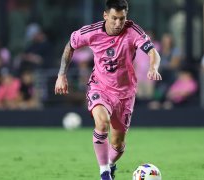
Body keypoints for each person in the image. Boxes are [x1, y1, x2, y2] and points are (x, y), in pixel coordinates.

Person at [54, 0, 162, 179]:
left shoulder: (133, 31)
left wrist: (153, 67)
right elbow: (70, 46)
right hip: (100, 87)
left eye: (122, 18)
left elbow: (153, 52)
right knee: (102, 123)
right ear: (105, 16)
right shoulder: (91, 32)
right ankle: (104, 173)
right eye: (114, 18)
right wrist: (61, 75)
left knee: (118, 145)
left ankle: (110, 164)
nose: (118, 23)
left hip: (125, 94)